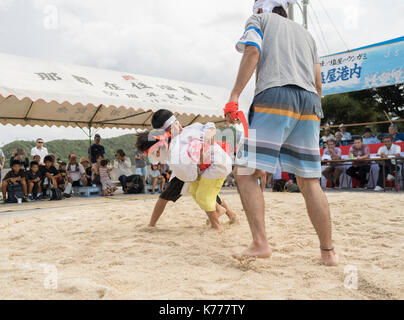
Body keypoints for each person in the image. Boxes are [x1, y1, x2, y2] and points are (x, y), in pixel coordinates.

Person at [225, 0, 338, 266]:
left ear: (260, 8)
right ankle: (328, 252)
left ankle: (260, 243)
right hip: (310, 103)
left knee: (243, 171)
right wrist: (313, 115)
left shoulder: (260, 21)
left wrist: (235, 94)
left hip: (275, 94)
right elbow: (318, 82)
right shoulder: (306, 35)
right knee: (309, 181)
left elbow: (252, 52)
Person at [136, 110, 234, 231]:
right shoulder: (172, 143)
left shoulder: (186, 133)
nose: (178, 126)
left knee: (202, 195)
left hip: (207, 166)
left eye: (177, 123)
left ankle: (218, 222)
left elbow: (209, 126)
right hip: (194, 169)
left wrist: (208, 139)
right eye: (172, 127)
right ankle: (228, 214)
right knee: (201, 192)